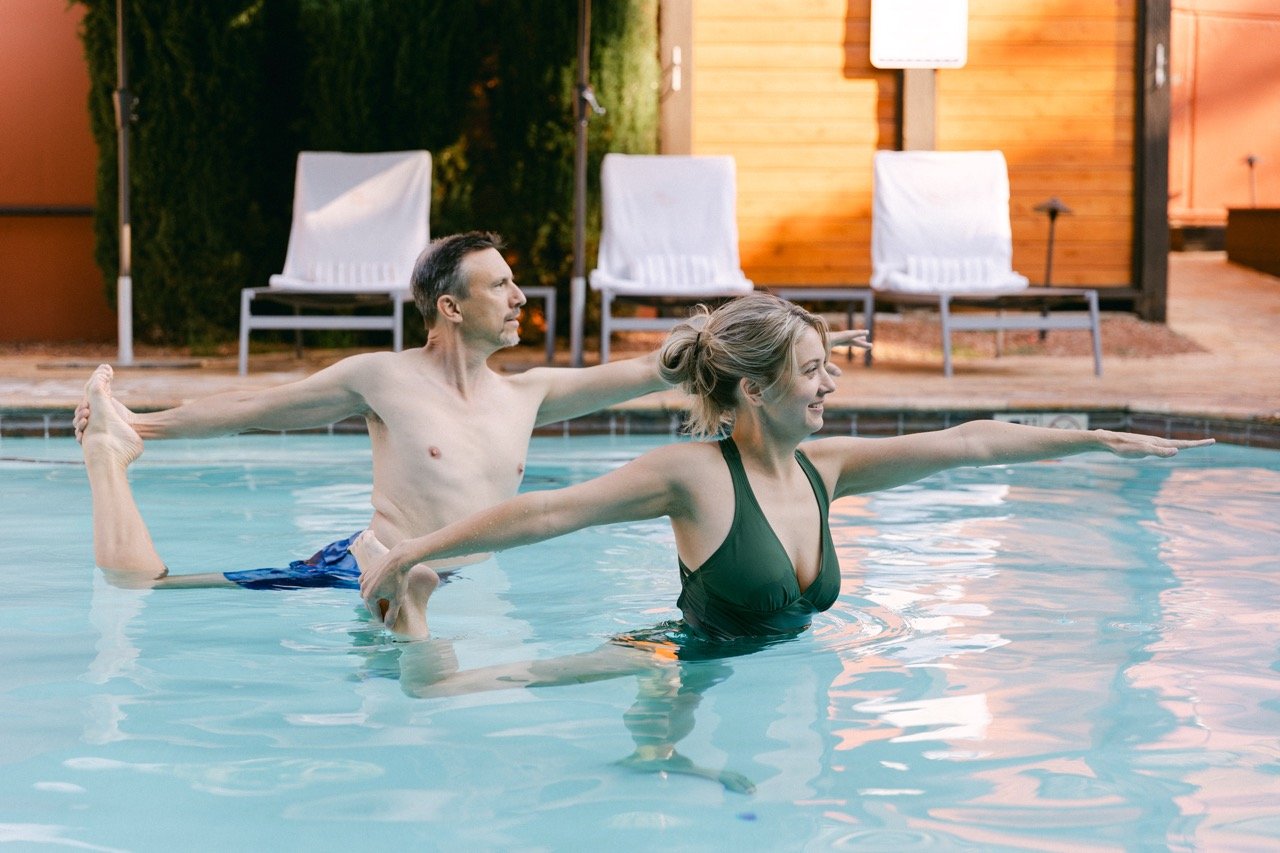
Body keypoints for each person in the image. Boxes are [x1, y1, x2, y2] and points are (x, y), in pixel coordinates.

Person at [358, 291, 1214, 643]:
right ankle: (415, 615)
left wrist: (1100, 440)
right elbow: (550, 512)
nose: (832, 382)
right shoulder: (694, 475)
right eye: (813, 370)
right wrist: (407, 549)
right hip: (680, 677)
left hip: (772, 686)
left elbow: (971, 440)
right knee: (457, 698)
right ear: (758, 392)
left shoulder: (825, 468)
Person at [77, 232, 866, 596]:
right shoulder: (381, 377)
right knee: (150, 588)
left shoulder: (531, 394)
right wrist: (145, 425)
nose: (521, 296)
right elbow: (260, 407)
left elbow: (662, 365)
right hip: (369, 570)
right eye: (501, 285)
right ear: (449, 307)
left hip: (469, 585)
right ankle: (108, 456)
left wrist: (779, 340)